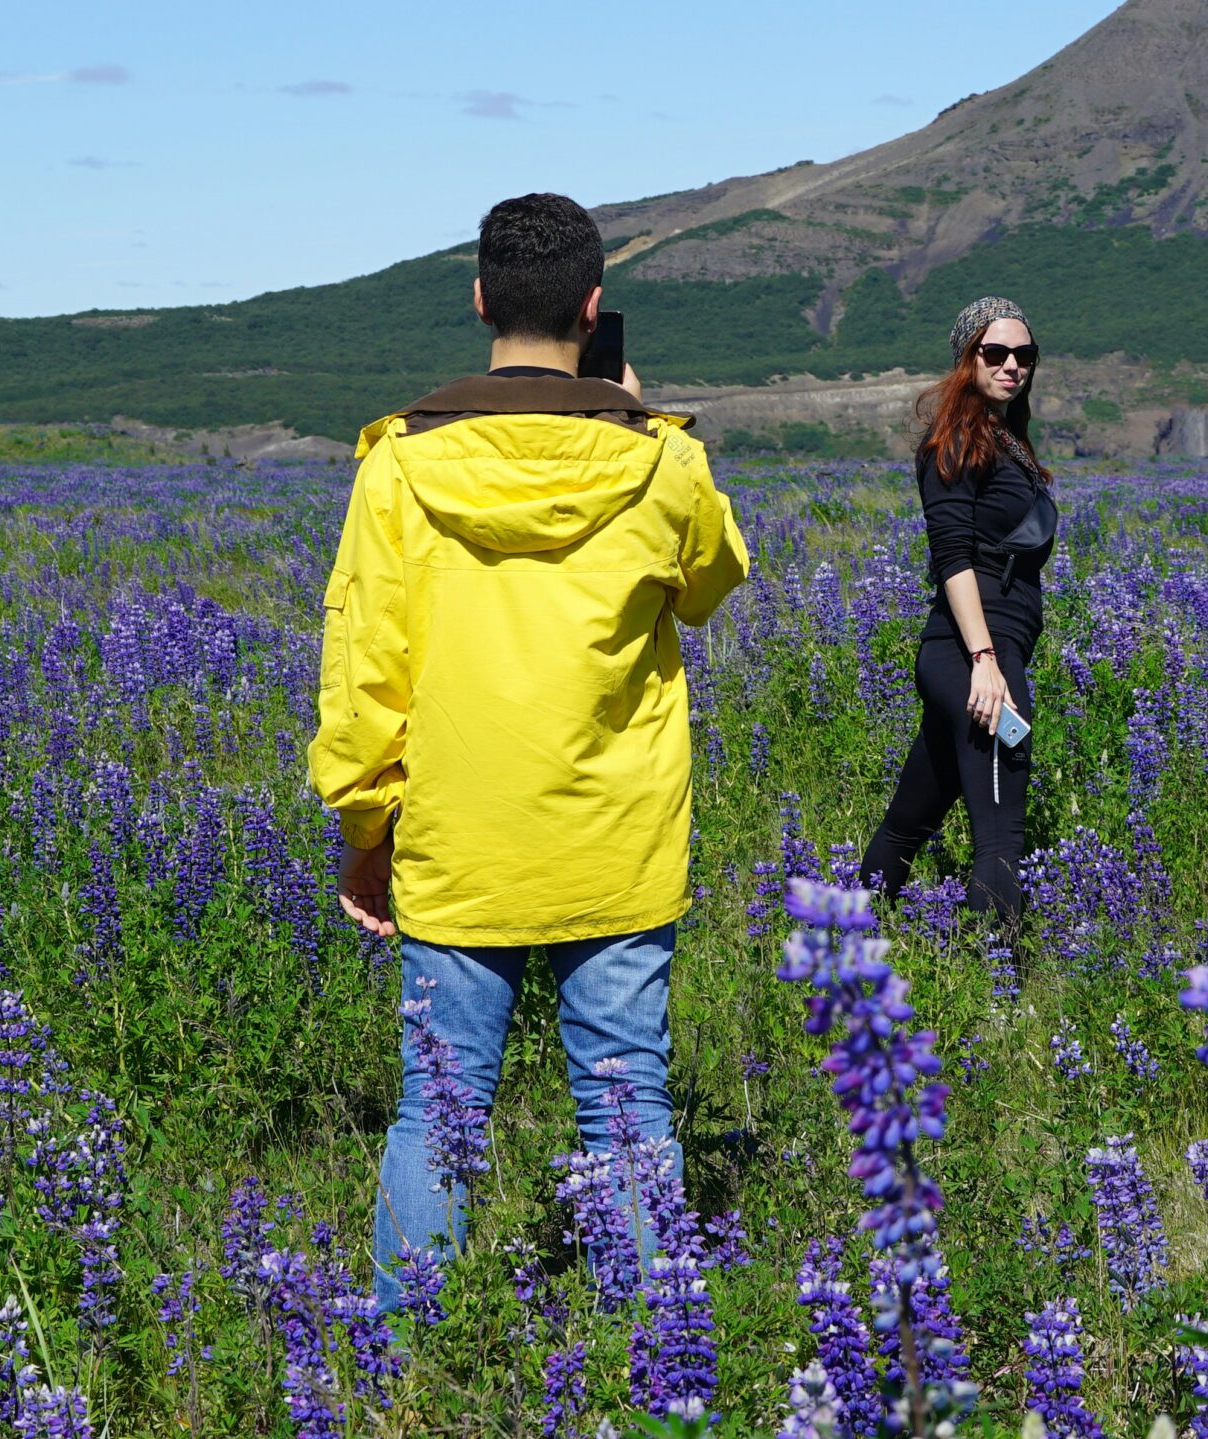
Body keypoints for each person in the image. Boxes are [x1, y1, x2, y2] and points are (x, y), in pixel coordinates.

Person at [308, 191, 749, 1307]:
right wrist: (639, 418)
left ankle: (406, 1364)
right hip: (615, 840)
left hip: (459, 841)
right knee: (627, 1104)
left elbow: (365, 677)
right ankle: (663, 1371)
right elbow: (712, 582)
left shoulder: (398, 464)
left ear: (478, 301)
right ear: (594, 306)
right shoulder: (663, 463)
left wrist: (369, 828)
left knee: (438, 1103)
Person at [860, 296, 1057, 929]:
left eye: (1023, 355)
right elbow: (952, 557)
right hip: (974, 655)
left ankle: (842, 942)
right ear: (965, 358)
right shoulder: (954, 443)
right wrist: (985, 661)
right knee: (1001, 834)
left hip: (979, 653)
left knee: (908, 821)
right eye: (994, 353)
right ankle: (1001, 1002)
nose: (1011, 365)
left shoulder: (1004, 441)